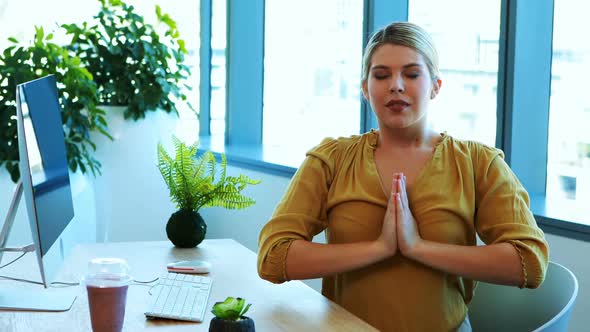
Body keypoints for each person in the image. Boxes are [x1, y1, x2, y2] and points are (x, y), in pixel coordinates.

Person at [257, 21, 549, 332]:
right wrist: (379, 248)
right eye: (381, 75)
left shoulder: (479, 163)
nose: (396, 85)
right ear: (365, 89)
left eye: (411, 74)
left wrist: (416, 247)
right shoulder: (330, 160)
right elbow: (274, 257)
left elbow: (528, 263)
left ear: (436, 86)